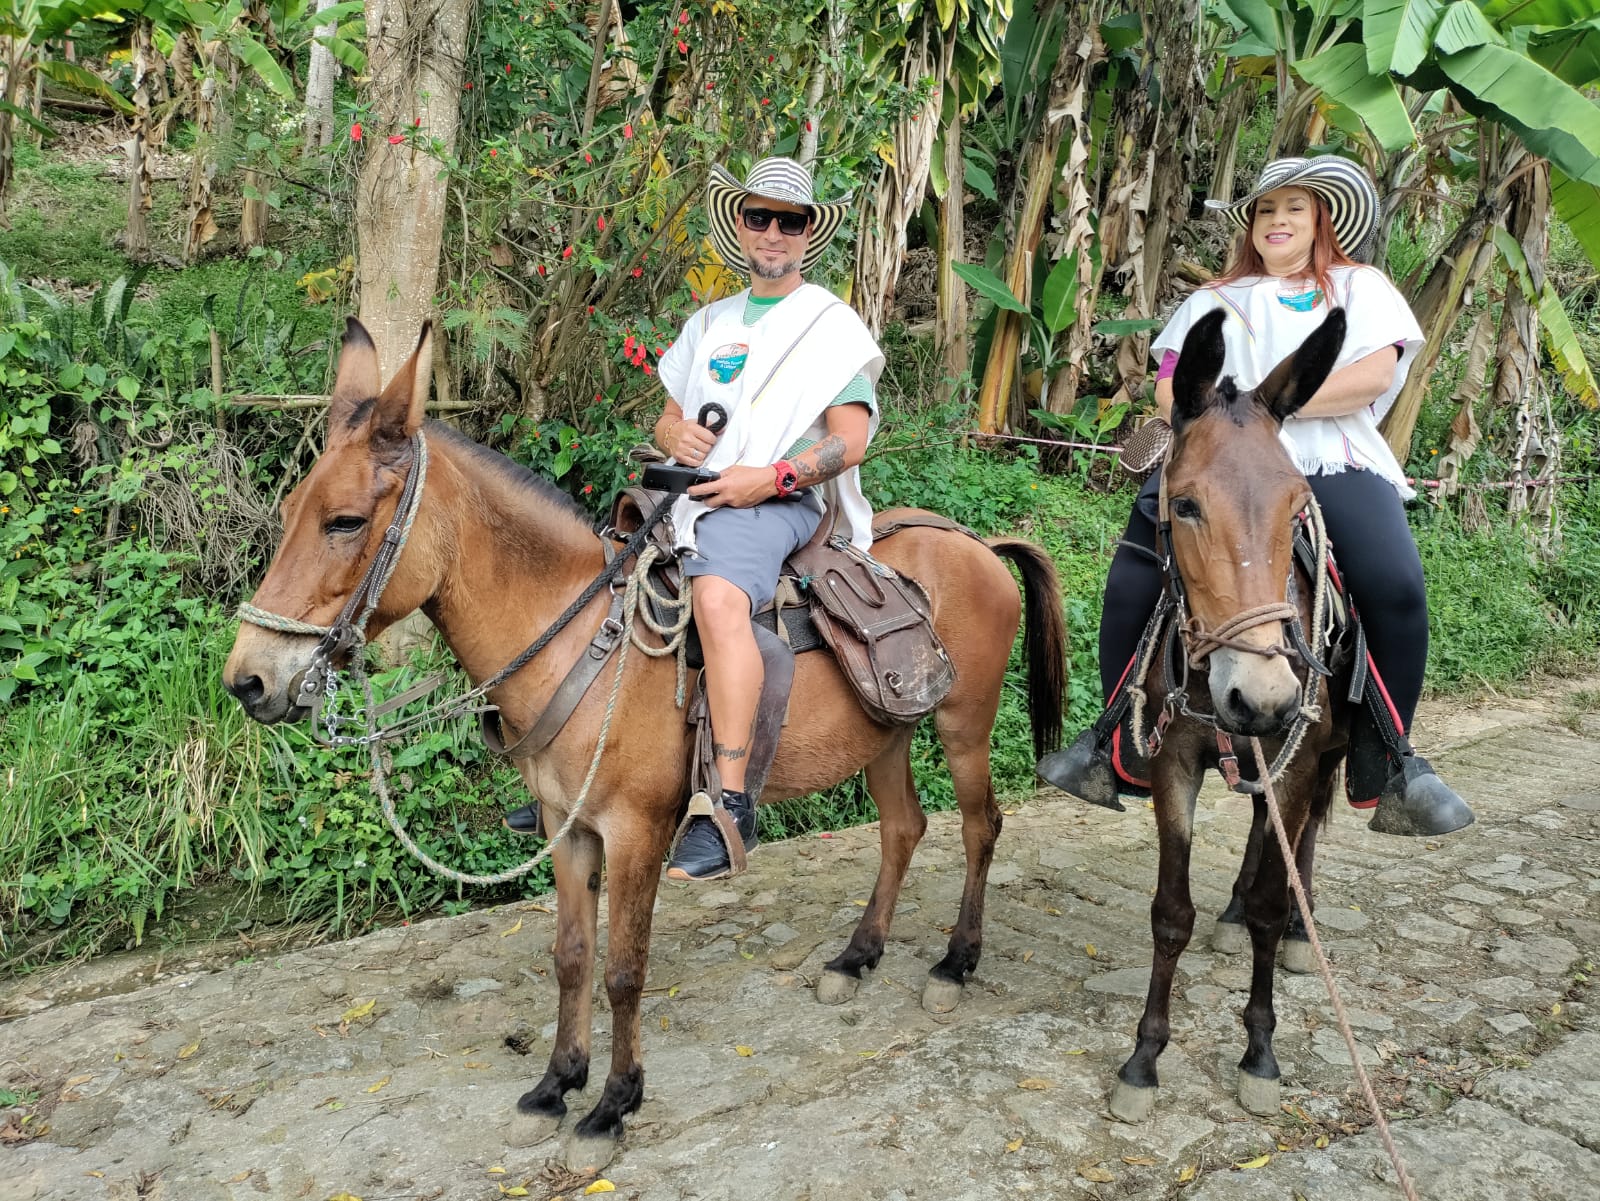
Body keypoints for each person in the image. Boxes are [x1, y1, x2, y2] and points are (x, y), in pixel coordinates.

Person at [1037, 155, 1473, 836]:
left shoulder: (1359, 287)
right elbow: (1166, 387)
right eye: (1266, 211)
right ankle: (1116, 734)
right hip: (1215, 462)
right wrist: (1232, 427)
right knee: (1129, 576)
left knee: (1395, 583)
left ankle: (1390, 755)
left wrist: (1272, 412)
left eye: (1294, 208)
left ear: (1321, 219)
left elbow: (1372, 376)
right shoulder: (1214, 298)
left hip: (1328, 459)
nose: (1278, 221)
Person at [503, 157, 885, 878]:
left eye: (790, 220)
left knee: (715, 595)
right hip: (685, 491)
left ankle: (728, 802)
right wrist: (674, 433)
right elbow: (671, 411)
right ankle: (583, 761)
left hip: (777, 500)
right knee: (597, 577)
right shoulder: (709, 321)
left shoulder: (831, 326)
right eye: (760, 216)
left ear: (809, 232)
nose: (773, 232)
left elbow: (852, 438)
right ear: (739, 223)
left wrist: (767, 478)